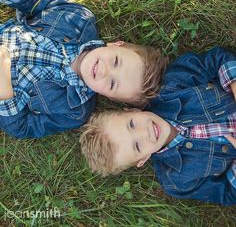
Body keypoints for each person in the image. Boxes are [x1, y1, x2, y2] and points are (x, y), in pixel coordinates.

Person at [80, 46, 236, 205]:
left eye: (132, 124)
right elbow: (228, 193)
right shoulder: (176, 180)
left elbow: (216, 60)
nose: (144, 132)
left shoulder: (171, 85)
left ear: (132, 110)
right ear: (142, 159)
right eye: (137, 146)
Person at [0, 0, 168, 138]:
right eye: (116, 61)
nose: (105, 70)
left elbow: (23, 128)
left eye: (112, 83)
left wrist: (5, 91)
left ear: (109, 97)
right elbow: (38, 0)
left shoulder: (74, 112)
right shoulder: (79, 20)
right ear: (116, 44)